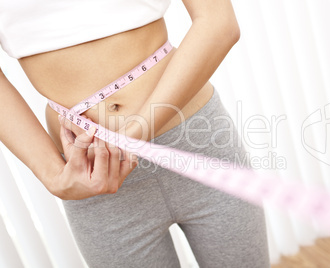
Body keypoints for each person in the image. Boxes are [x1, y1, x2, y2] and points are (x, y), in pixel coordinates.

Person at [0, 0, 270, 267]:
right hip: (93, 176)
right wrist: (52, 175)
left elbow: (219, 23)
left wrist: (132, 134)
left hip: (197, 143)